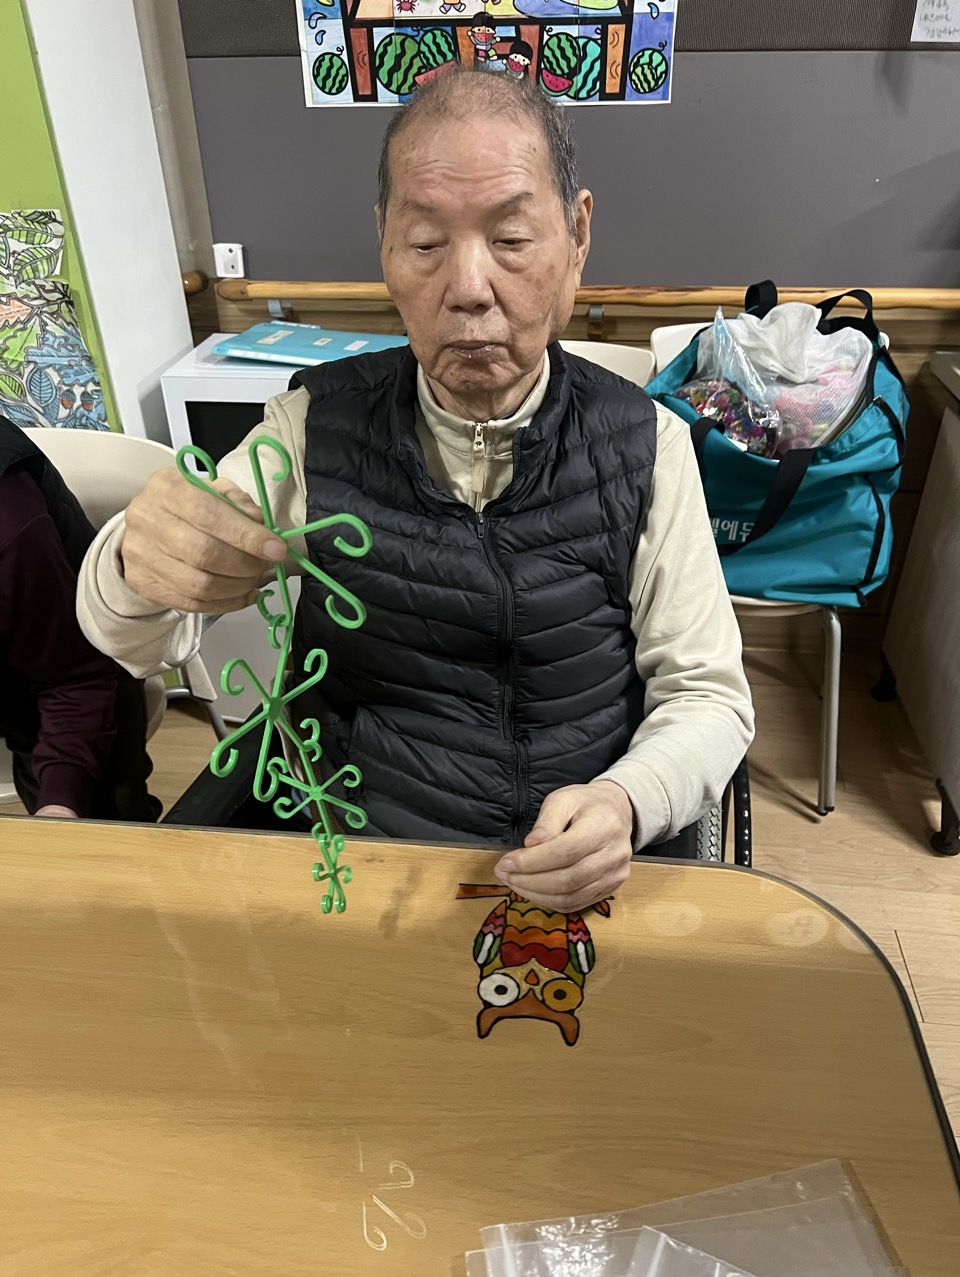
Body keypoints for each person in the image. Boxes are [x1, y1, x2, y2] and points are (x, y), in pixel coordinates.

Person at [78, 70, 753, 909]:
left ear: (577, 234)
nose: (467, 288)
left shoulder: (647, 445)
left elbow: (708, 695)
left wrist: (627, 800)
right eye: (427, 243)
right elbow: (132, 636)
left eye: (511, 238)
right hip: (360, 860)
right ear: (384, 245)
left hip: (568, 865)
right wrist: (133, 565)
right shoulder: (308, 429)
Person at [0, 417, 160, 821]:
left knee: (103, 822)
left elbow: (75, 680)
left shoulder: (11, 527)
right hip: (37, 668)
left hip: (73, 679)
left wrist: (60, 803)